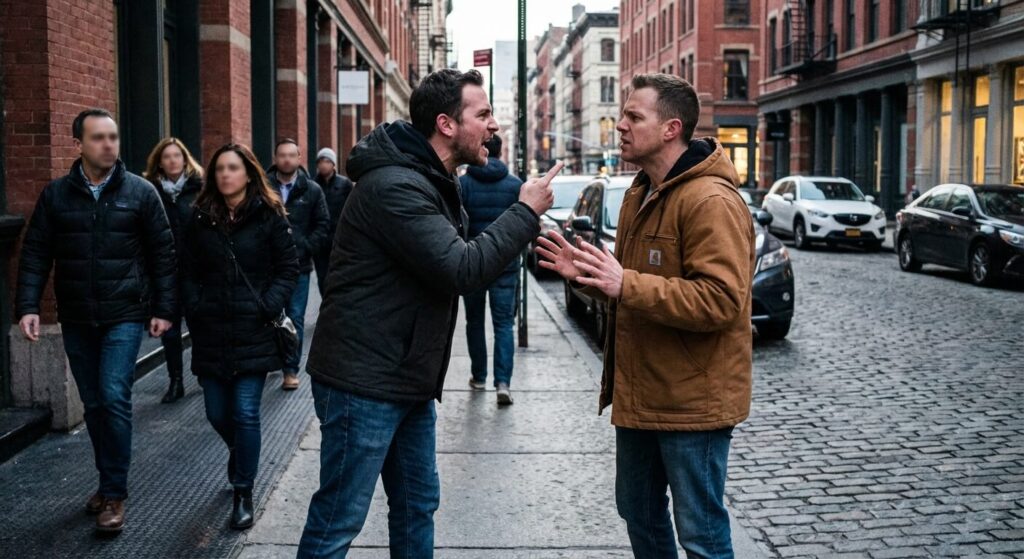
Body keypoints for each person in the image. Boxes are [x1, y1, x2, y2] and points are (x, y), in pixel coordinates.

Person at [296, 68, 559, 558]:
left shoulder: (433, 179)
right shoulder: (397, 187)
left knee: (418, 504)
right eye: (482, 114)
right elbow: (461, 268)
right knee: (339, 519)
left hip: (406, 375)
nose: (494, 125)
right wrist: (525, 212)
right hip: (363, 379)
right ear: (446, 124)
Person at [537, 73, 755, 558]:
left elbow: (720, 300)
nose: (621, 126)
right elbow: (629, 288)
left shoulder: (711, 201)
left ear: (671, 128)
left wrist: (624, 283)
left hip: (691, 402)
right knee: (638, 512)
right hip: (640, 394)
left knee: (700, 531)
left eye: (634, 117)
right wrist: (585, 276)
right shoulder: (641, 192)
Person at [16, 108, 177, 534]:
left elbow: (164, 256)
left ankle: (115, 495)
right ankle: (107, 481)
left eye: (114, 137)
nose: (109, 144)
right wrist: (28, 306)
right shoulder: (56, 195)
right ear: (80, 144)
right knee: (93, 404)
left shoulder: (141, 193)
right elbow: (35, 252)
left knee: (112, 395)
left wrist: (163, 310)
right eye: (99, 138)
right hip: (76, 315)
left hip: (124, 313)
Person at [180, 143, 299, 529]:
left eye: (233, 168)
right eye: (219, 169)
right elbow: (187, 269)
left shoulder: (270, 216)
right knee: (217, 412)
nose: (225, 175)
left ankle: (243, 490)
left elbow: (288, 268)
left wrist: (268, 304)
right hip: (211, 328)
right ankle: (240, 452)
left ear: (248, 173)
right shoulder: (200, 217)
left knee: (246, 412)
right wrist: (194, 305)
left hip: (254, 328)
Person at [459, 134, 523, 405]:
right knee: (503, 325)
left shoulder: (463, 185)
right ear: (501, 150)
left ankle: (479, 375)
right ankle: (503, 383)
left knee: (474, 322)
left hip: (473, 263)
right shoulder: (515, 186)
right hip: (506, 266)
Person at [142, 137, 204, 404]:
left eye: (177, 156)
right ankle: (175, 380)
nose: (172, 161)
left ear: (185, 159)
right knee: (169, 331)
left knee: (200, 326)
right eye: (166, 157)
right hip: (164, 274)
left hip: (195, 272)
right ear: (159, 162)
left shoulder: (199, 190)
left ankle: (202, 371)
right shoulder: (149, 191)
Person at [266, 139, 330, 391]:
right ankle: (273, 358)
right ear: (275, 157)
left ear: (299, 157)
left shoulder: (311, 190)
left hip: (298, 267)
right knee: (270, 316)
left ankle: (290, 369)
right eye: (282, 155)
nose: (286, 160)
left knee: (295, 318)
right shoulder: (262, 188)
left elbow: (323, 225)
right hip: (267, 267)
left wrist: (303, 247)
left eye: (291, 155)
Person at [312, 147, 354, 296]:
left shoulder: (345, 184)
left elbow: (351, 210)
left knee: (339, 277)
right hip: (320, 242)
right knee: (322, 278)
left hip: (339, 240)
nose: (324, 164)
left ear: (333, 164)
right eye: (321, 161)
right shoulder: (312, 186)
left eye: (327, 161)